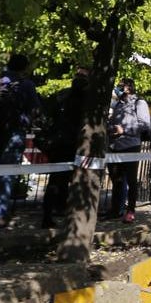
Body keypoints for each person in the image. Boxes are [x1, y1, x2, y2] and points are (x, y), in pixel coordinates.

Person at [0, 53, 40, 228]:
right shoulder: (26, 85)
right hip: (14, 132)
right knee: (7, 172)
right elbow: (35, 110)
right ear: (24, 67)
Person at [39, 68, 89, 229]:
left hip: (58, 143)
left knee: (57, 180)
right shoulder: (85, 99)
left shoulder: (61, 95)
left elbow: (45, 117)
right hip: (71, 144)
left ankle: (53, 212)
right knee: (67, 180)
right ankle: (62, 213)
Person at [107, 78, 151, 222]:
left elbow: (144, 124)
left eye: (121, 86)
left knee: (131, 179)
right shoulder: (118, 104)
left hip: (131, 145)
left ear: (128, 88)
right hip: (115, 146)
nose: (118, 88)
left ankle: (130, 210)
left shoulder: (139, 103)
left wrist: (124, 130)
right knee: (117, 179)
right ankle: (116, 210)